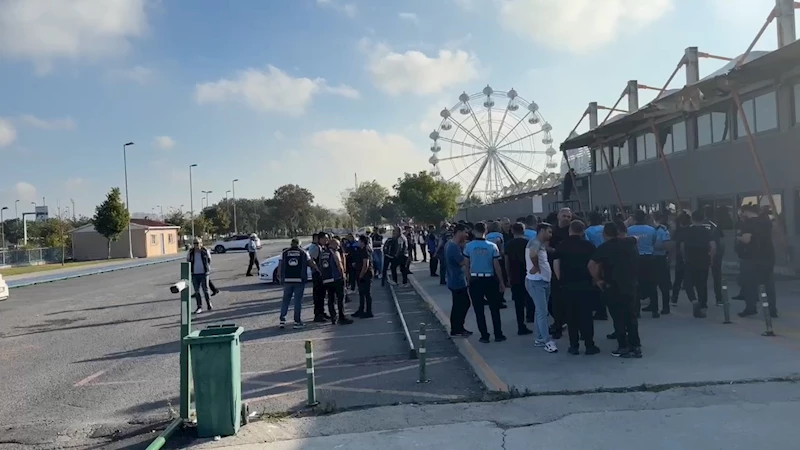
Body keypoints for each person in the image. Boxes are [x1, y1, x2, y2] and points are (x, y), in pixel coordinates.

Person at [588, 221, 642, 358]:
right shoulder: (629, 242)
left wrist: (598, 280)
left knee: (618, 317)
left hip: (612, 286)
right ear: (618, 233)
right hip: (630, 284)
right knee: (631, 316)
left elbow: (591, 265)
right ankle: (635, 346)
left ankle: (622, 347)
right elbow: (636, 238)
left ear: (604, 234)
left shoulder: (604, 247)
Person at [554, 220, 600, 355]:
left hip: (568, 285)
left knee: (571, 316)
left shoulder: (561, 246)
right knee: (586, 316)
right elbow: (595, 265)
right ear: (582, 231)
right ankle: (589, 345)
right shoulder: (589, 246)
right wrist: (595, 279)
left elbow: (556, 264)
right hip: (585, 285)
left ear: (570, 231)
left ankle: (574, 346)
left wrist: (560, 280)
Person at [464, 222, 506, 343]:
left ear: (473, 231)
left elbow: (466, 266)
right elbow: (497, 266)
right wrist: (501, 282)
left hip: (475, 279)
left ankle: (484, 335)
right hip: (490, 279)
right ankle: (498, 334)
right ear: (485, 231)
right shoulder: (492, 246)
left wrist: (468, 280)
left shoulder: (469, 246)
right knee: (494, 308)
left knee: (479, 309)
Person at [736, 205, 777, 317]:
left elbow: (746, 239)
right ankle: (772, 310)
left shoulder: (747, 223)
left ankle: (751, 308)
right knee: (769, 285)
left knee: (750, 284)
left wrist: (738, 237)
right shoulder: (766, 222)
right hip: (768, 256)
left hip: (752, 257)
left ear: (745, 212)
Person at [525, 223, 556, 352]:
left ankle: (539, 338)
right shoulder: (535, 243)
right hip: (537, 282)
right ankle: (547, 340)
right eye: (549, 232)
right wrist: (536, 267)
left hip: (543, 281)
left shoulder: (539, 243)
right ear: (542, 231)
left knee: (540, 311)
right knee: (543, 312)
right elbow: (533, 254)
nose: (550, 235)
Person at [680, 209, 716, 318]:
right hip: (704, 260)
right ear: (703, 218)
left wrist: (684, 257)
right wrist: (711, 259)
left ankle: (694, 301)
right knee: (702, 284)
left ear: (692, 219)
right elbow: (713, 246)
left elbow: (682, 245)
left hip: (690, 260)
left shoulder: (686, 231)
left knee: (688, 283)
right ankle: (703, 305)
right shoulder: (707, 231)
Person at [276, 238, 319, 329]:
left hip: (287, 280)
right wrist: (318, 269)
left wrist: (279, 276)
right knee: (297, 301)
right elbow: (311, 263)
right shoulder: (303, 252)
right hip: (299, 280)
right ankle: (297, 322)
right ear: (299, 244)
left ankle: (282, 320)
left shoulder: (284, 252)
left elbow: (280, 265)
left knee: (285, 300)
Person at [628, 210, 660, 318]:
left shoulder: (629, 230)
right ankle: (655, 310)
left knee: (636, 285)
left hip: (636, 258)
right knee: (652, 284)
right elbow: (653, 242)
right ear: (645, 218)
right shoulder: (651, 230)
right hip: (649, 258)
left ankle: (636, 311)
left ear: (635, 218)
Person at [504, 222, 535, 334]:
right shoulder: (528, 243)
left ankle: (520, 325)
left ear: (512, 231)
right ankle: (530, 316)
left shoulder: (508, 244)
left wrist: (507, 275)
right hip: (528, 274)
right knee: (530, 297)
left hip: (515, 275)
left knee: (518, 302)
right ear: (524, 230)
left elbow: (506, 261)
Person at [445, 224, 473, 337]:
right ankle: (457, 328)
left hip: (455, 279)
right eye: (465, 232)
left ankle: (457, 328)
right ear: (459, 232)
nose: (466, 235)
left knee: (459, 304)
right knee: (463, 304)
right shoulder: (453, 247)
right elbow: (462, 262)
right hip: (457, 280)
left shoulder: (451, 244)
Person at [319, 238, 353, 325]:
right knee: (340, 298)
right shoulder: (334, 253)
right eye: (337, 245)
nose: (338, 247)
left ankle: (333, 317)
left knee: (331, 299)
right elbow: (339, 264)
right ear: (333, 244)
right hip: (336, 278)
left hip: (327, 279)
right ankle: (342, 317)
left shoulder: (323, 254)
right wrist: (343, 275)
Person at [349, 235, 375, 318]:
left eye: (359, 241)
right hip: (360, 273)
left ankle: (368, 312)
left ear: (362, 242)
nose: (358, 242)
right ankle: (361, 310)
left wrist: (361, 275)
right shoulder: (361, 250)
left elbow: (365, 264)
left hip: (365, 275)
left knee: (366, 293)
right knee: (361, 293)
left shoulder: (365, 250)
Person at [652, 212, 672, 315]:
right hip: (652, 258)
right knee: (652, 284)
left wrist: (654, 246)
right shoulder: (651, 230)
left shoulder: (662, 230)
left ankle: (665, 307)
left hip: (659, 258)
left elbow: (667, 245)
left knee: (663, 285)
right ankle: (652, 305)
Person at [187, 238, 213, 313]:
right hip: (194, 274)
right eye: (195, 243)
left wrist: (207, 268)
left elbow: (209, 260)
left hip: (204, 273)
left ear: (201, 243)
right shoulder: (191, 252)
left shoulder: (204, 251)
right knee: (197, 291)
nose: (196, 245)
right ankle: (199, 306)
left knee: (206, 290)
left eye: (198, 243)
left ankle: (209, 304)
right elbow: (188, 260)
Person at [486, 221, 508, 309]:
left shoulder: (487, 236)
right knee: (501, 278)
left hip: (489, 259)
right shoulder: (499, 235)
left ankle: (493, 297)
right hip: (498, 258)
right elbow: (499, 242)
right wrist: (500, 251)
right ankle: (500, 298)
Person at [670, 212, 691, 305]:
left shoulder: (678, 232)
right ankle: (695, 299)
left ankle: (674, 298)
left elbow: (675, 245)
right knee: (692, 280)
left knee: (677, 280)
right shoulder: (691, 230)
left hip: (680, 259)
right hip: (692, 258)